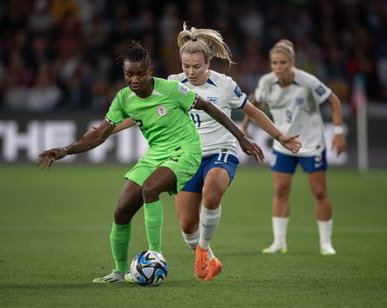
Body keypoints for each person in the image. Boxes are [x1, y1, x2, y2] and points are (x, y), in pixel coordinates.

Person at [37, 42, 264, 283]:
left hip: (186, 150)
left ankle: (155, 255)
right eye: (128, 74)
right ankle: (119, 271)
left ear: (150, 71)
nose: (134, 79)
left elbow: (208, 107)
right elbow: (99, 134)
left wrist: (241, 137)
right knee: (121, 211)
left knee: (150, 189)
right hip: (156, 154)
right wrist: (65, 149)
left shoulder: (171, 89)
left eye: (140, 73)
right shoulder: (124, 99)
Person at [168, 24, 301, 281]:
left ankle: (204, 249)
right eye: (185, 66)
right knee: (187, 226)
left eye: (197, 66)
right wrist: (111, 127)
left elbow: (253, 112)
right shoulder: (173, 84)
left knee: (212, 193)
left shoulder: (225, 85)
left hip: (222, 150)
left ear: (209, 62)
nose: (191, 71)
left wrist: (280, 136)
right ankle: (208, 257)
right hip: (187, 156)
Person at [241, 39, 346, 255]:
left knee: (319, 192)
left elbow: (333, 100)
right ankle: (279, 242)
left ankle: (326, 243)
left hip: (311, 143)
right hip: (283, 144)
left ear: (292, 63)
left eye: (282, 63)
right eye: (274, 63)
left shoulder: (307, 81)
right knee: (280, 190)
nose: (278, 67)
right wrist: (244, 126)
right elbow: (254, 103)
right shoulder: (267, 82)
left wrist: (338, 133)